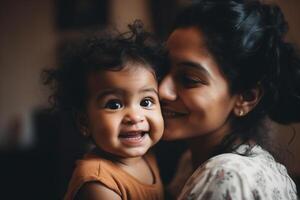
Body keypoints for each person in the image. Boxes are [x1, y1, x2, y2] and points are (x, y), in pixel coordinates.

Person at [158, 0, 300, 199]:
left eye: (189, 79)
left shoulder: (226, 175)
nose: (162, 90)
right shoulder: (190, 162)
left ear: (246, 98)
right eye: (162, 70)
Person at [43, 21, 165, 200]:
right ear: (84, 122)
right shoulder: (97, 181)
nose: (134, 116)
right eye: (114, 105)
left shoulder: (148, 157)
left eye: (146, 102)